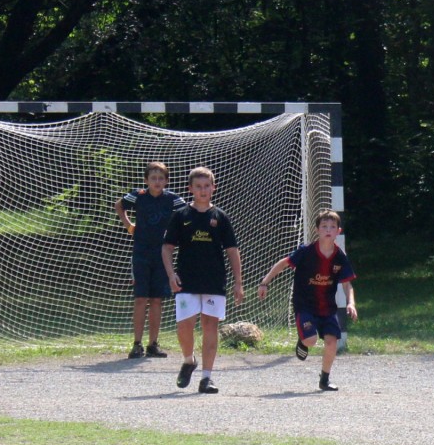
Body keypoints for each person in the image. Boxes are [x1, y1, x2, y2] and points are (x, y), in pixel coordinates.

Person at [162, 167, 243, 394]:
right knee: (184, 326)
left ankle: (207, 378)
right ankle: (189, 360)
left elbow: (232, 250)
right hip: (186, 280)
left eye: (207, 186)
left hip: (214, 280)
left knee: (210, 326)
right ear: (190, 189)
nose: (203, 190)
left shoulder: (220, 217)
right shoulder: (181, 216)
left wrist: (238, 282)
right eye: (198, 186)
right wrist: (171, 274)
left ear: (213, 188)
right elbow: (167, 248)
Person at [258, 209, 358, 392]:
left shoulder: (340, 256)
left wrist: (351, 303)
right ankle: (303, 340)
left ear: (338, 231)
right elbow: (284, 263)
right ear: (317, 230)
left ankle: (324, 379)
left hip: (327, 308)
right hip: (305, 305)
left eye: (332, 227)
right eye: (324, 226)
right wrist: (265, 282)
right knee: (311, 340)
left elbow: (347, 284)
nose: (328, 230)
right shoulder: (306, 251)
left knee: (332, 342)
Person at [116, 162, 185, 359]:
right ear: (146, 180)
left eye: (161, 178)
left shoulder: (172, 199)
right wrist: (129, 225)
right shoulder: (138, 196)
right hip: (141, 254)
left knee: (157, 300)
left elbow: (188, 213)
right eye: (153, 178)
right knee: (140, 299)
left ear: (166, 181)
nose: (157, 182)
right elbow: (119, 205)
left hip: (162, 255)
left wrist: (176, 234)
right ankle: (137, 344)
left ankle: (153, 344)